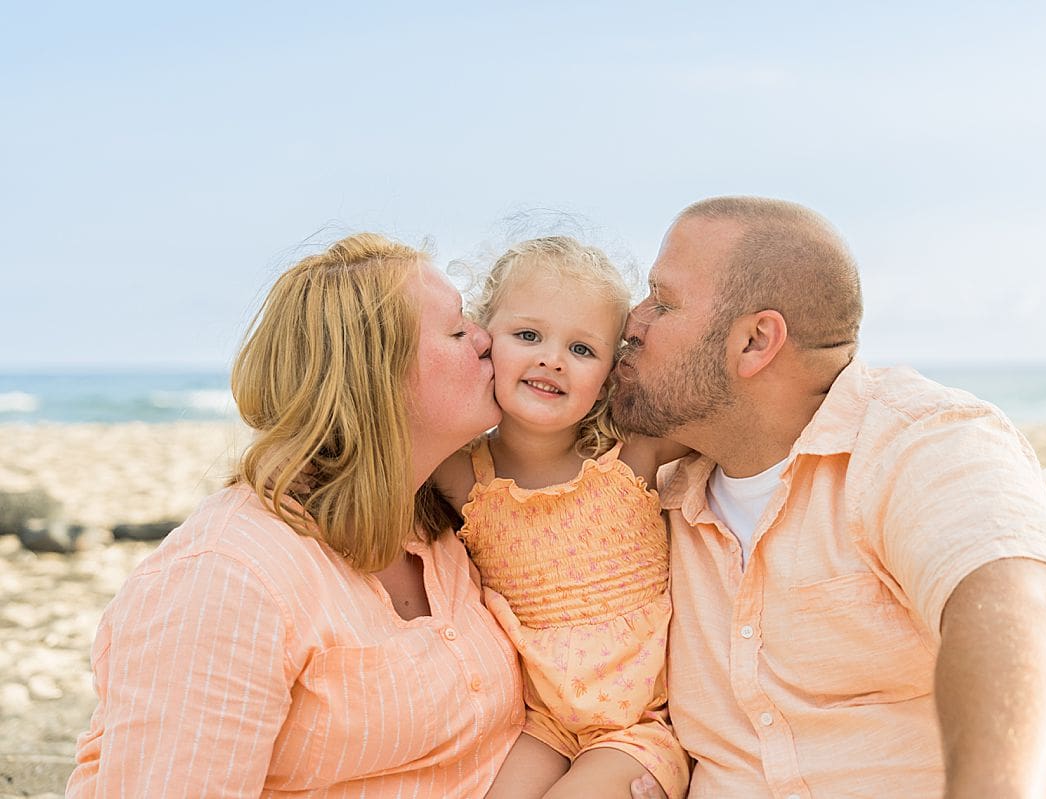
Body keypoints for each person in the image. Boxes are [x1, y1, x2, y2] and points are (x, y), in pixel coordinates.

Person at [611, 197, 1046, 798]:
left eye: (662, 300)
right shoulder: (640, 486)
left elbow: (1020, 616)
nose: (631, 322)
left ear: (756, 341)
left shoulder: (921, 440)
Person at [65, 233, 660, 798]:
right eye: (459, 330)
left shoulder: (442, 520)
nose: (486, 340)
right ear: (378, 375)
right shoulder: (226, 580)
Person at [433, 237, 691, 799]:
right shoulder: (462, 475)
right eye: (528, 336)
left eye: (582, 349)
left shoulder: (632, 459)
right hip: (540, 723)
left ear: (610, 374)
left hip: (638, 728)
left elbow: (734, 411)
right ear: (483, 341)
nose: (552, 359)